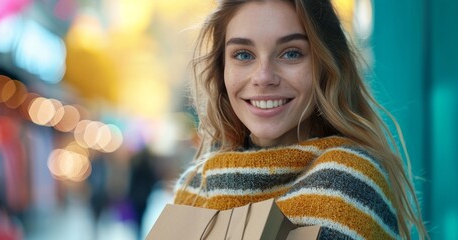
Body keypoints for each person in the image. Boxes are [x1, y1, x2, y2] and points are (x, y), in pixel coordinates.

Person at [172, 0, 428, 239]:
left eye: (291, 53)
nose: (264, 77)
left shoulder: (347, 181)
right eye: (243, 55)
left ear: (325, 65)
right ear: (222, 69)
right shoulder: (194, 185)